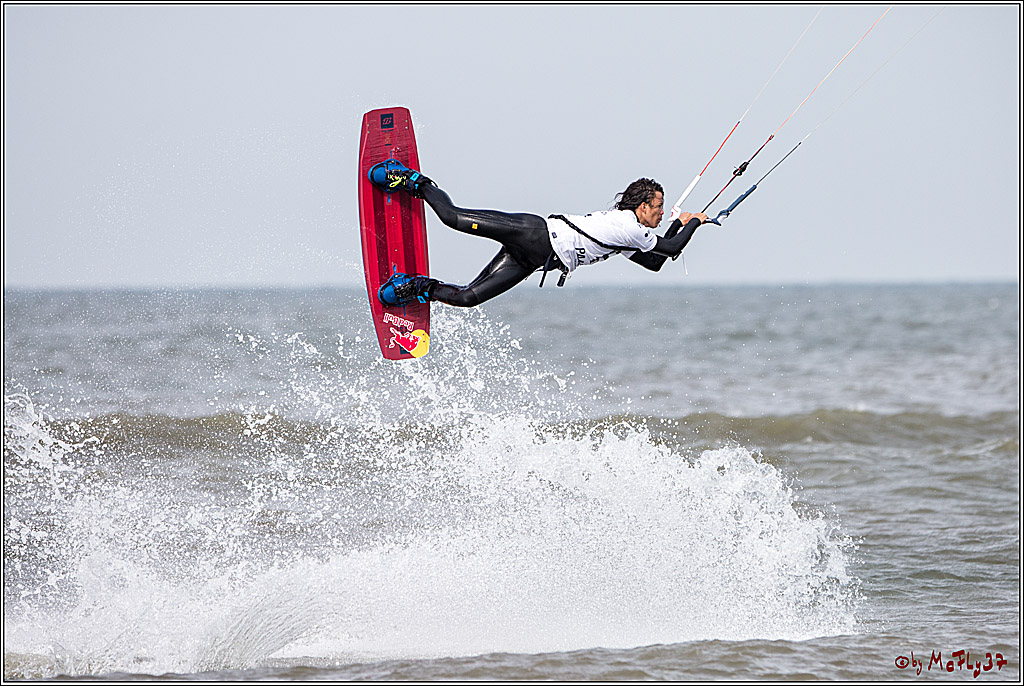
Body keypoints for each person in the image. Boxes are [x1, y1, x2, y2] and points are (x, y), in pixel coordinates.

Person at [368, 160, 708, 308]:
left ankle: (414, 286)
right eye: (660, 207)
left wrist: (681, 225)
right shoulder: (629, 228)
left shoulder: (627, 236)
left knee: (468, 298)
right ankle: (414, 181)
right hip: (534, 233)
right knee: (452, 217)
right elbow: (671, 246)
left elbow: (654, 262)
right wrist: (695, 221)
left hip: (532, 258)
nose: (663, 214)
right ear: (643, 206)